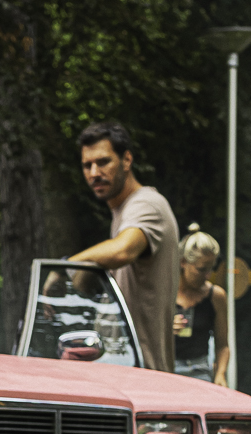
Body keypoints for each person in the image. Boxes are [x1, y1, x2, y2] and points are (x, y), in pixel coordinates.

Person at [67, 120, 179, 371]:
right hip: (124, 372)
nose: (94, 172)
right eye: (87, 165)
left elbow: (122, 250)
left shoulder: (146, 204)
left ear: (127, 160)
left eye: (103, 161)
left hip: (144, 377)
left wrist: (66, 266)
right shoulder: (123, 213)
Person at [172, 227, 229, 382]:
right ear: (183, 262)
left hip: (200, 371)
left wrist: (220, 374)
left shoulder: (216, 296)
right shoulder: (164, 294)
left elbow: (222, 346)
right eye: (202, 269)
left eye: (210, 269)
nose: (207, 276)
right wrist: (165, 329)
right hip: (166, 369)